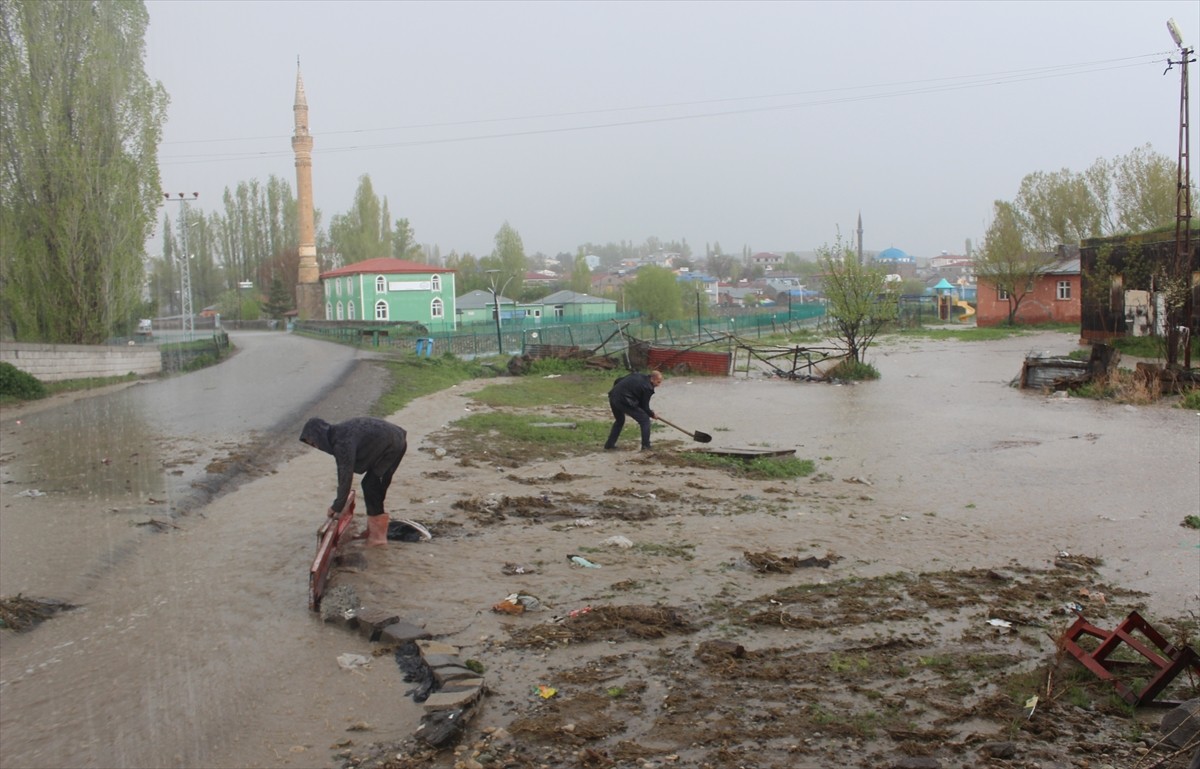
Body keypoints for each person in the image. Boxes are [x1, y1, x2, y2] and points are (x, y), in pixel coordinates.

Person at [299, 416, 407, 547]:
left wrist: (337, 506)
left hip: (393, 445)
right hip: (395, 438)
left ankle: (378, 539)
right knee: (372, 485)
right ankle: (372, 532)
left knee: (372, 487)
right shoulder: (339, 433)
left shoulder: (341, 442)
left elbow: (345, 476)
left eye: (314, 442)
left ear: (320, 436)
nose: (315, 446)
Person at [604, 370, 663, 451]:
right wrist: (652, 414)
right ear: (652, 379)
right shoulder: (648, 387)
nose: (659, 385)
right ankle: (646, 446)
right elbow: (644, 407)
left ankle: (609, 445)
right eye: (658, 382)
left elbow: (618, 380)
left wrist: (618, 392)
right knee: (645, 420)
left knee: (620, 420)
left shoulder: (637, 375)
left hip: (613, 396)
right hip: (624, 401)